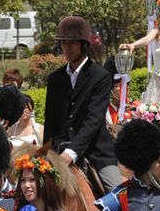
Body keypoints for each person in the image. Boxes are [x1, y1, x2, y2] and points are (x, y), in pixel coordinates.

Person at [44, 15, 123, 191]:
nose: (67, 48)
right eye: (63, 43)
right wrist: (47, 153)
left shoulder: (100, 76)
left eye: (72, 43)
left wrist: (71, 153)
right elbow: (50, 122)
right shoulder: (54, 79)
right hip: (59, 151)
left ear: (83, 44)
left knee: (118, 196)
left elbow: (93, 120)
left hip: (95, 151)